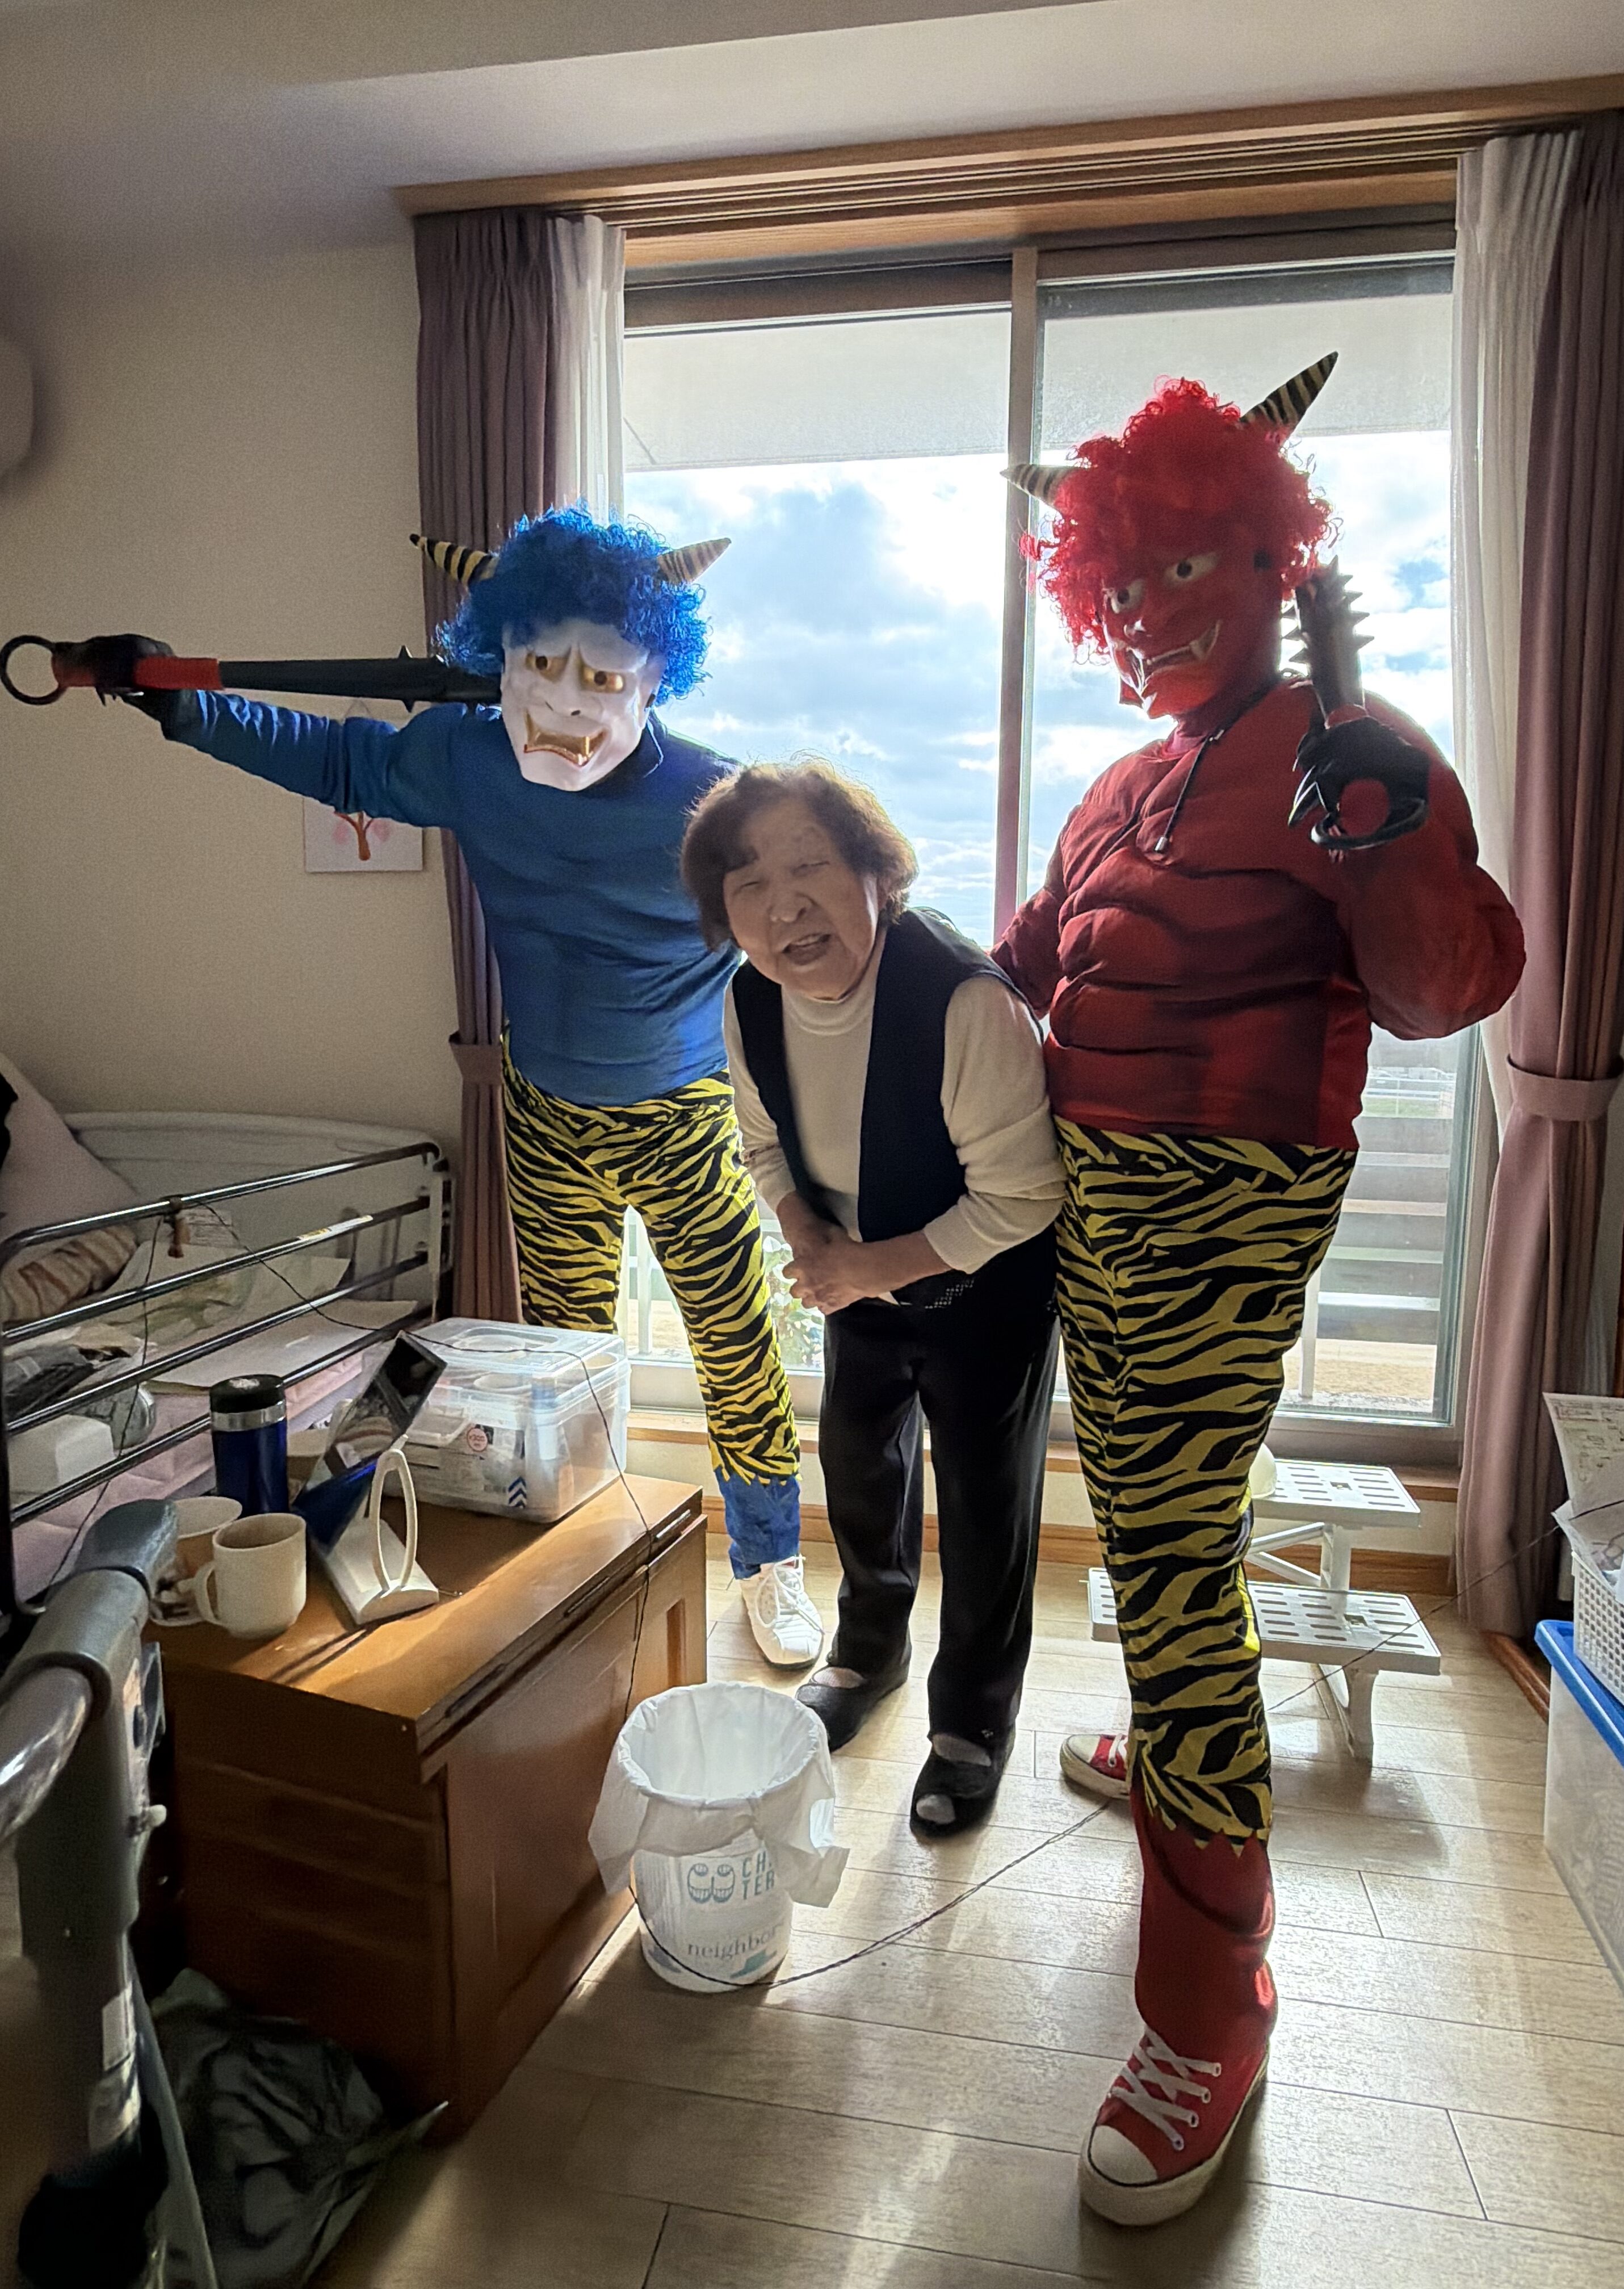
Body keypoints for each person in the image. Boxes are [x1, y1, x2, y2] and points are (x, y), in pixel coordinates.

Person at [995, 362, 1525, 2225]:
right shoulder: (1112, 788)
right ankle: (1171, 1741)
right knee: (1168, 1523)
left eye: (1186, 567)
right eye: (1122, 583)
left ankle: (1211, 2006)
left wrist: (1381, 822)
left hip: (1228, 1197)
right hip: (1082, 1195)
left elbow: (1446, 991)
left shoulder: (1347, 742)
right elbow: (1023, 973)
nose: (1151, 609)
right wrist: (844, 943)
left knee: (1161, 1562)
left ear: (1268, 558)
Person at [91, 508, 823, 1667]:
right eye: (540, 667)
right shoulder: (467, 758)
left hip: (684, 1119)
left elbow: (820, 935)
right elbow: (334, 758)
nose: (567, 703)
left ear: (654, 676)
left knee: (736, 1347)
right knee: (568, 1364)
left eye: (601, 677)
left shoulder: (719, 805)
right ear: (499, 656)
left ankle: (772, 1564)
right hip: (544, 1115)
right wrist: (180, 704)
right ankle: (592, 1559)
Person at [681, 760, 1065, 1834]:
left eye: (810, 866)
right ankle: (868, 1652)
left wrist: (863, 1267)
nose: (784, 907)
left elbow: (1024, 1195)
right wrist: (812, 1243)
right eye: (750, 884)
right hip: (857, 1275)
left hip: (987, 1285)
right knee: (857, 1468)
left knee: (985, 1509)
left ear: (877, 876)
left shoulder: (964, 997)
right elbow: (763, 1145)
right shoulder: (750, 1000)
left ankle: (972, 1724)